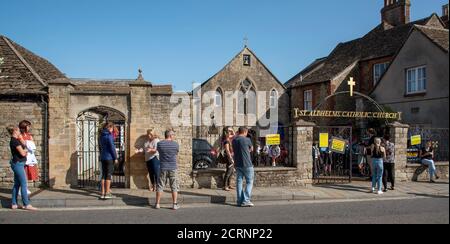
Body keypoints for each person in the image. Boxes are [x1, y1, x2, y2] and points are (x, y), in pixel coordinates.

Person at [7, 125, 37, 210]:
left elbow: (24, 146)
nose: (20, 131)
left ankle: (14, 204)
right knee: (24, 184)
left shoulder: (16, 140)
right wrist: (28, 150)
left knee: (17, 184)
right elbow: (23, 153)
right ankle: (26, 204)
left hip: (19, 163)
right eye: (18, 130)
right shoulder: (14, 141)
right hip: (18, 164)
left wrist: (21, 139)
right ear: (15, 131)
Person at [155, 129, 180, 210]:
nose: (174, 136)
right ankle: (174, 204)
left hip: (163, 167)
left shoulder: (159, 144)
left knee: (160, 185)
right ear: (170, 135)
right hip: (173, 167)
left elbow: (159, 152)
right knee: (174, 186)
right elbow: (176, 155)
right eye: (173, 135)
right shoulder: (176, 144)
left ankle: (157, 204)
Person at [232, 127, 255, 207]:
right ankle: (246, 200)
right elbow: (251, 149)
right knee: (249, 182)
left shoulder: (234, 140)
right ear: (245, 132)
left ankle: (239, 200)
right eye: (247, 132)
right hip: (247, 164)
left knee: (239, 182)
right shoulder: (247, 139)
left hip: (237, 164)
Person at [99, 122, 117, 200]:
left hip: (103, 157)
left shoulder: (101, 136)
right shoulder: (109, 136)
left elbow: (100, 147)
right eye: (112, 128)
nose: (112, 130)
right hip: (109, 158)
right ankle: (107, 193)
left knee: (103, 175)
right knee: (108, 175)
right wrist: (115, 157)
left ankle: (102, 193)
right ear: (109, 128)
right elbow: (112, 148)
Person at [19, 120, 37, 195]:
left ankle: (25, 187)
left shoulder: (29, 135)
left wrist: (28, 144)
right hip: (22, 156)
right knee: (22, 173)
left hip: (29, 156)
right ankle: (21, 189)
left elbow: (32, 145)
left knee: (26, 173)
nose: (29, 127)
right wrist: (28, 143)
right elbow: (23, 144)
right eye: (28, 126)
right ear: (24, 127)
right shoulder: (20, 135)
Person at [221, 127, 235, 191]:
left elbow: (234, 135)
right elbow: (227, 150)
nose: (230, 132)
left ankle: (229, 185)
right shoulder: (226, 140)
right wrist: (231, 158)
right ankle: (224, 186)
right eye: (229, 131)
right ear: (226, 132)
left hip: (231, 157)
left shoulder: (228, 138)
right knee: (228, 172)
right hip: (229, 157)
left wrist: (231, 130)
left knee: (231, 171)